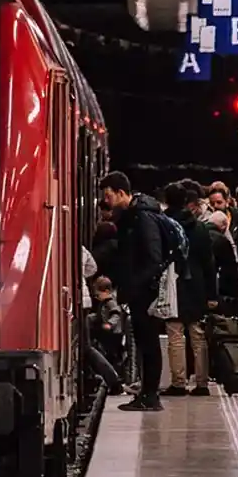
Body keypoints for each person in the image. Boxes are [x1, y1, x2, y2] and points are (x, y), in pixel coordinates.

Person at [97, 171, 165, 412]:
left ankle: (150, 396)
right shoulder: (132, 217)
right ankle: (147, 394)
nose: (107, 201)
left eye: (109, 195)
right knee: (145, 343)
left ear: (121, 193)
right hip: (139, 290)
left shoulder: (142, 218)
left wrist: (136, 287)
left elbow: (153, 258)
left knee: (149, 343)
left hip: (144, 292)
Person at [163, 183, 217, 397]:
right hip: (196, 285)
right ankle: (202, 383)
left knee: (175, 334)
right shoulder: (199, 227)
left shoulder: (164, 225)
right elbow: (209, 263)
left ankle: (178, 383)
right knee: (198, 334)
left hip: (173, 285)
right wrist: (211, 293)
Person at [85, 276, 126, 396]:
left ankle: (117, 379)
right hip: (109, 334)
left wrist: (110, 324)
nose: (97, 297)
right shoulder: (104, 303)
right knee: (109, 356)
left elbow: (116, 314)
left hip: (113, 334)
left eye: (98, 294)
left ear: (107, 291)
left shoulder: (111, 303)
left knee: (114, 357)